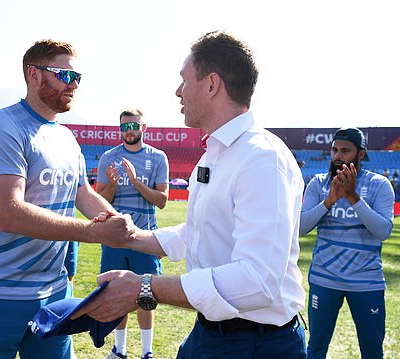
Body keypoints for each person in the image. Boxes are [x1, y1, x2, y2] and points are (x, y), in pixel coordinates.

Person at [74, 30, 307, 359]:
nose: (178, 91)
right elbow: (200, 230)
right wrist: (133, 238)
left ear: (212, 85)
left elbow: (256, 281)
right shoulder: (215, 153)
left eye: (184, 80)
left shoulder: (262, 159)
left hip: (256, 343)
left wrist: (145, 286)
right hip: (213, 333)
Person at [0, 39, 136, 359]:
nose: (74, 85)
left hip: (53, 292)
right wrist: (93, 232)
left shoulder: (65, 136)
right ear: (34, 75)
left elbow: (83, 193)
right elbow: (10, 213)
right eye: (65, 75)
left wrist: (116, 220)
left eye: (77, 78)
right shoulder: (1, 125)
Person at [300, 127, 394, 359]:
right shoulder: (318, 184)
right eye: (334, 150)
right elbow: (300, 228)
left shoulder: (379, 185)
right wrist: (329, 201)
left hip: (366, 282)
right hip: (324, 279)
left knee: (372, 352)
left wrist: (353, 198)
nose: (338, 156)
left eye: (345, 151)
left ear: (361, 154)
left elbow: (383, 231)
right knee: (315, 349)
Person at [96, 109, 169, 359]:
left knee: (146, 294)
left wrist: (137, 182)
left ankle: (147, 352)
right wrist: (113, 186)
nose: (129, 131)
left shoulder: (158, 157)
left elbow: (161, 201)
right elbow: (99, 200)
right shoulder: (108, 157)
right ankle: (120, 350)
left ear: (143, 127)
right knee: (117, 293)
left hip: (145, 239)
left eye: (133, 126)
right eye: (124, 127)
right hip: (115, 237)